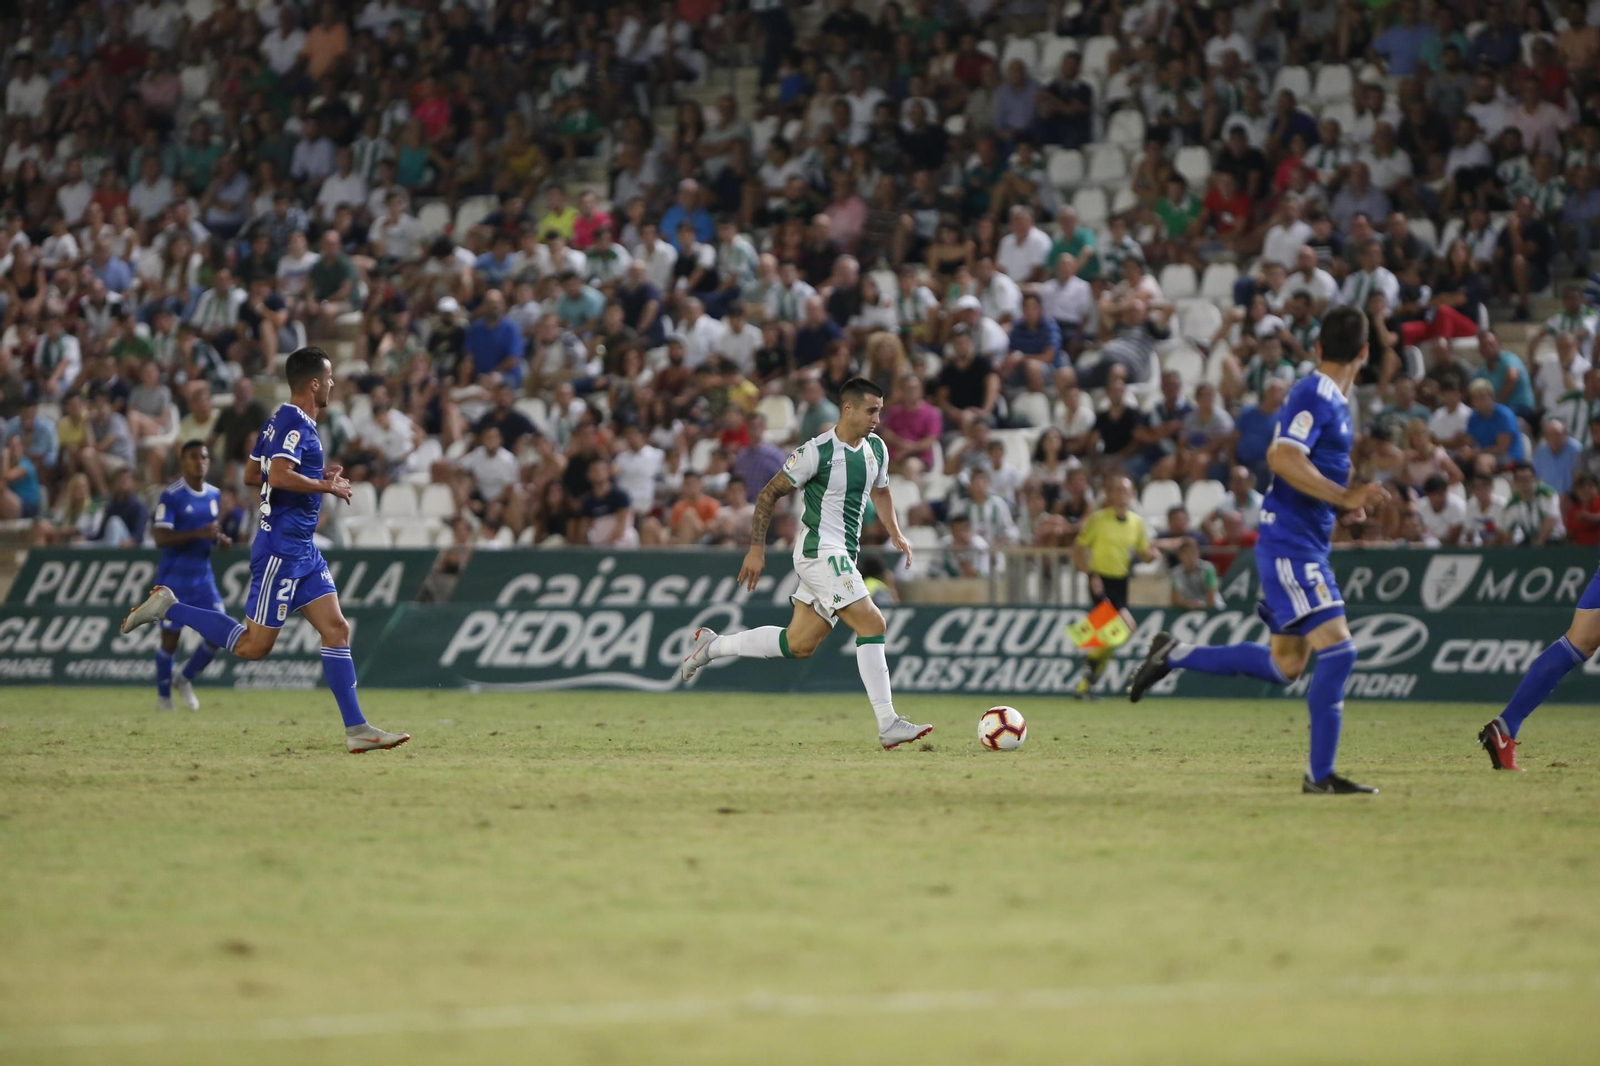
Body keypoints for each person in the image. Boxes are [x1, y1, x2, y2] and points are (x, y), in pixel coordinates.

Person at [1129, 306, 1389, 794]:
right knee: (1340, 651)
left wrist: (1342, 509)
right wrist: (1346, 497)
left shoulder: (1330, 399)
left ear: (1316, 348)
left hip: (1300, 541)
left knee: (1286, 666)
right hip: (1292, 546)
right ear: (1365, 353)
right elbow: (1282, 457)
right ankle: (1320, 776)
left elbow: (1310, 467)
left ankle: (1175, 654)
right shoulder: (1316, 391)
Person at [119, 347, 410, 754]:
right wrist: (325, 485)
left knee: (337, 629)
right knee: (254, 647)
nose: (330, 385)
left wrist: (313, 475)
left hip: (302, 549)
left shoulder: (281, 420)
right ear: (313, 383)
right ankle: (169, 607)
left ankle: (357, 729)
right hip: (280, 550)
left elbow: (253, 474)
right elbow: (276, 474)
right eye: (326, 379)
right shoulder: (294, 422)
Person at [679, 377, 930, 750]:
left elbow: (881, 490)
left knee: (798, 644)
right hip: (819, 551)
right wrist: (756, 549)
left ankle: (712, 647)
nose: (878, 417)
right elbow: (768, 494)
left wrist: (895, 532)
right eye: (871, 410)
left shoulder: (876, 448)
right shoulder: (816, 451)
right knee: (872, 622)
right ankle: (888, 722)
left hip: (842, 554)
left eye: (880, 409)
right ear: (848, 409)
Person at [150, 441, 231, 713]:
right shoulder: (171, 496)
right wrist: (200, 533)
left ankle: (183, 679)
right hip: (174, 580)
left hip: (203, 578)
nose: (200, 462)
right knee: (170, 642)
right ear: (182, 462)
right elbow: (160, 537)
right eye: (193, 457)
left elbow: (211, 531)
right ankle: (164, 699)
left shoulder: (214, 495)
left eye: (204, 457)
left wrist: (220, 539)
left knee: (218, 634)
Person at [1071, 474, 1155, 699]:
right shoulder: (1097, 520)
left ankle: (1086, 682)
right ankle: (1090, 663)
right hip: (1100, 580)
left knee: (1112, 635)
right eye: (1117, 489)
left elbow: (1143, 552)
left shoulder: (1136, 523)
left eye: (1126, 490)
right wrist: (1089, 573)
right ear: (1108, 494)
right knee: (1125, 627)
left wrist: (1151, 555)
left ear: (1132, 495)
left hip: (1121, 582)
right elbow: (1078, 548)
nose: (1122, 494)